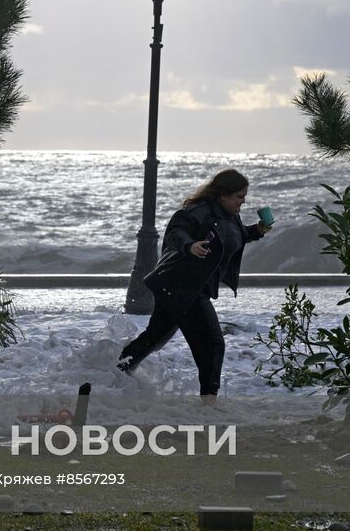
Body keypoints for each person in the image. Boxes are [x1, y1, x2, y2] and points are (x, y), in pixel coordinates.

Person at [116, 168, 272, 400]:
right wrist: (189, 245)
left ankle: (115, 373)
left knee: (155, 337)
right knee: (213, 342)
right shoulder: (198, 212)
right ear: (223, 195)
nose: (244, 201)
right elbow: (176, 231)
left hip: (187, 288)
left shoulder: (230, 216)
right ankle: (209, 401)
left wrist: (257, 231)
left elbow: (233, 236)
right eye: (239, 196)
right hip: (182, 286)